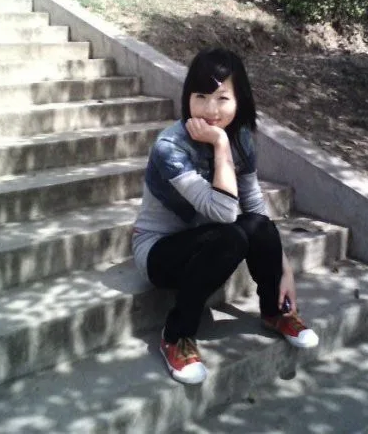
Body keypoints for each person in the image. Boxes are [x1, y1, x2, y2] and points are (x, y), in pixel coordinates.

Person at [132, 47, 318, 385]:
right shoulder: (170, 147)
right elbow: (224, 211)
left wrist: (284, 268)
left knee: (258, 226)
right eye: (201, 96)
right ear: (187, 97)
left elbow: (253, 206)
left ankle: (274, 312)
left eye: (222, 98)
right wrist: (220, 145)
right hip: (159, 251)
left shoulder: (242, 138)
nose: (210, 110)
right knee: (231, 235)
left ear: (239, 99)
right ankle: (176, 335)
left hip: (211, 241)